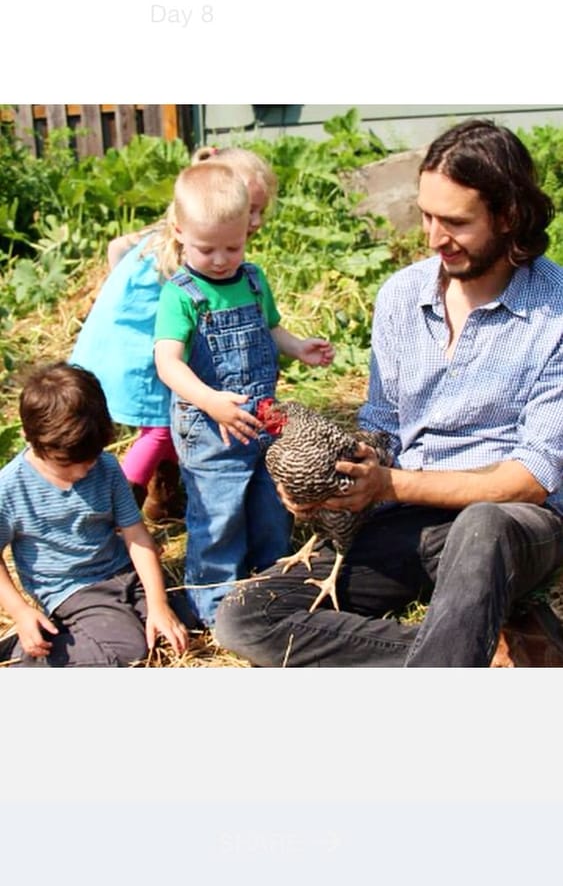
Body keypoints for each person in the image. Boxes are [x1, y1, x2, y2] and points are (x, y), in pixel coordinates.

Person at [214, 118, 563, 667]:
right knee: (246, 615)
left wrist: (389, 484)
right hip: (403, 518)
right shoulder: (403, 295)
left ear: (509, 216)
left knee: (483, 522)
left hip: (510, 528)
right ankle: (490, 652)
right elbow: (381, 424)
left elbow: (530, 482)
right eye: (426, 215)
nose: (432, 238)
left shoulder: (556, 312)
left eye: (455, 222)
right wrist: (332, 479)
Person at [154, 162, 334, 627]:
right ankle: (213, 606)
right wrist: (209, 399)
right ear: (179, 231)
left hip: (262, 421)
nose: (220, 259)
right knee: (219, 516)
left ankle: (269, 585)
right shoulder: (181, 296)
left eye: (232, 246)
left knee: (270, 504)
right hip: (211, 429)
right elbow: (168, 362)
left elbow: (269, 327)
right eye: (206, 248)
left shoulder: (252, 279)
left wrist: (298, 347)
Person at [70, 145, 277, 520]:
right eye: (251, 208)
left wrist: (119, 288)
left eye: (260, 210)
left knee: (172, 421)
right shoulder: (188, 262)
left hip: (118, 338)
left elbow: (117, 246)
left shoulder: (172, 236)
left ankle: (163, 498)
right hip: (139, 354)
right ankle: (118, 512)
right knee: (163, 428)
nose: (256, 219)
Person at [0, 362, 192, 667]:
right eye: (67, 463)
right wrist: (20, 612)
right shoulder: (10, 488)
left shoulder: (106, 467)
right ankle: (26, 658)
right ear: (28, 437)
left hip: (122, 572)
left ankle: (62, 637)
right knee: (130, 647)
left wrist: (158, 603)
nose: (82, 470)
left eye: (89, 460)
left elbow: (136, 535)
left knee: (185, 616)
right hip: (74, 590)